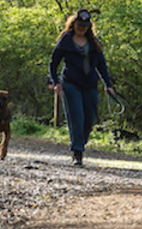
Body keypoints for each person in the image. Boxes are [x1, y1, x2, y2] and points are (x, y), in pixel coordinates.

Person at [46, 9, 115, 166]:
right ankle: (77, 153)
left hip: (90, 85)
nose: (81, 27)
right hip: (71, 84)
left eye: (84, 25)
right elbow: (53, 63)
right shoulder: (66, 40)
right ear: (74, 24)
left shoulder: (93, 43)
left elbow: (102, 66)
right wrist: (55, 82)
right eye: (79, 24)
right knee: (76, 117)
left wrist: (108, 85)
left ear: (88, 26)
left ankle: (80, 144)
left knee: (89, 119)